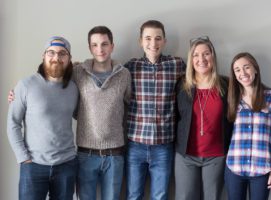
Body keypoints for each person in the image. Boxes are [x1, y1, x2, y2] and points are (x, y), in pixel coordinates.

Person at [7, 36, 78, 200]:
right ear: (43, 56)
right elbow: (13, 123)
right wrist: (23, 157)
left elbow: (81, 115)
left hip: (66, 164)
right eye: (51, 53)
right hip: (33, 165)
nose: (56, 58)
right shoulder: (26, 85)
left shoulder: (74, 88)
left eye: (62, 54)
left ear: (69, 59)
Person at [125, 20, 186, 200]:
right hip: (135, 144)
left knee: (160, 195)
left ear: (164, 41)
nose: (153, 43)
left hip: (164, 145)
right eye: (148, 38)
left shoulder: (177, 65)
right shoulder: (130, 67)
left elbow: (200, 76)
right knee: (133, 195)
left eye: (158, 38)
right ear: (140, 41)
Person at [73, 26, 131, 200]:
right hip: (85, 154)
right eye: (95, 45)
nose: (100, 49)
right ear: (90, 48)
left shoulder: (124, 75)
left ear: (112, 46)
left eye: (104, 44)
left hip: (115, 155)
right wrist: (18, 93)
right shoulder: (78, 73)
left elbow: (129, 106)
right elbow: (53, 83)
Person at [174, 36, 233, 200]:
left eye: (206, 54)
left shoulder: (226, 85)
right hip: (186, 156)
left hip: (216, 156)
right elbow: (174, 117)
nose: (201, 59)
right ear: (191, 59)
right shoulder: (181, 85)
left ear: (213, 56)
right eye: (196, 55)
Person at [225, 52, 271, 200]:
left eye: (246, 67)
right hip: (234, 167)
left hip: (262, 168)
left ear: (255, 69)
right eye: (237, 70)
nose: (242, 73)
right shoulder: (231, 98)